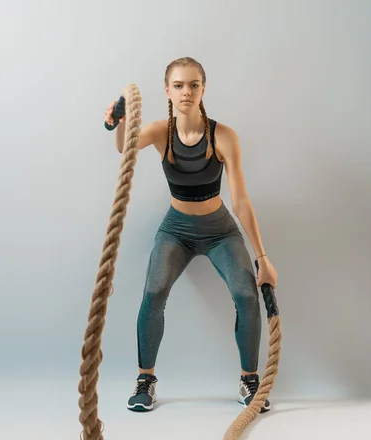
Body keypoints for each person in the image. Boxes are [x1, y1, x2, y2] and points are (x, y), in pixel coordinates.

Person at [104, 57, 278, 413]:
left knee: (246, 295)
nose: (187, 91)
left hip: (220, 231)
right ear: (167, 90)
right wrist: (118, 120)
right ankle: (145, 381)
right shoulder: (158, 132)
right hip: (176, 230)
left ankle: (249, 380)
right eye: (179, 85)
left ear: (203, 88)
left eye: (194, 84)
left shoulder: (224, 136)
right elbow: (124, 147)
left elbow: (241, 201)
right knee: (153, 292)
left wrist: (263, 257)